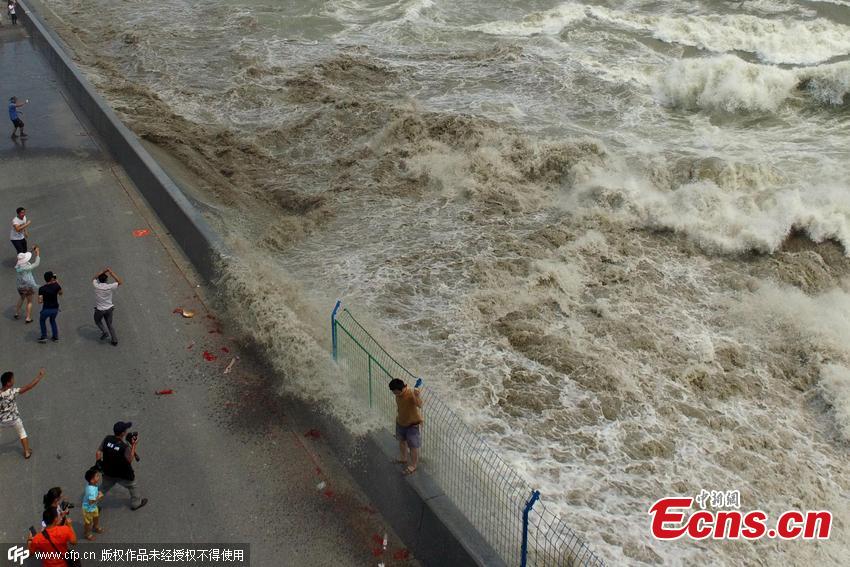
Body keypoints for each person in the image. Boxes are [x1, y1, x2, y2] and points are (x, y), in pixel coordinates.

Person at [95, 421, 148, 510]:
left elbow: (98, 452)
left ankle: (92, 505)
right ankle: (136, 504)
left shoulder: (107, 439)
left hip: (108, 472)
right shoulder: (124, 447)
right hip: (123, 474)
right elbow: (130, 459)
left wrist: (99, 464)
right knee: (132, 486)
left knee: (103, 488)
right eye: (126, 430)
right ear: (123, 433)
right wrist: (134, 445)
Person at [0, 368, 46, 459]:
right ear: (8, 383)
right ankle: (27, 452)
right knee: (22, 433)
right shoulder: (13, 392)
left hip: (1, 421)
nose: (14, 380)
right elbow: (29, 387)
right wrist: (39, 376)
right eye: (12, 379)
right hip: (14, 419)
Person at [389, 378, 424, 476]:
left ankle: (413, 465)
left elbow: (420, 405)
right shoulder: (398, 394)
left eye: (395, 392)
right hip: (401, 422)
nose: (394, 394)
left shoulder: (410, 394)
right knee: (401, 441)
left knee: (413, 446)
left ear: (399, 389)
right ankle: (403, 458)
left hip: (412, 425)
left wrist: (417, 395)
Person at [93, 267, 122, 346]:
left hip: (99, 310)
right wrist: (110, 272)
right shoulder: (110, 286)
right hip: (109, 309)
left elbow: (94, 278)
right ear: (106, 280)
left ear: (99, 280)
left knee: (97, 321)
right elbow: (119, 281)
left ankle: (105, 332)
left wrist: (103, 271)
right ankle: (114, 340)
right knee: (109, 324)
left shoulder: (96, 285)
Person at [14, 245, 40, 323]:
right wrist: (37, 253)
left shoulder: (18, 266)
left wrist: (32, 250)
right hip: (27, 287)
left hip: (19, 286)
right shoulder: (26, 267)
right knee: (29, 302)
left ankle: (16, 313)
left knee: (22, 298)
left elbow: (25, 256)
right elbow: (36, 263)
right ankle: (28, 318)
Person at [37, 271, 62, 343]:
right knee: (52, 321)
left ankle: (44, 336)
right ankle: (55, 337)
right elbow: (60, 293)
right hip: (55, 309)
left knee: (42, 320)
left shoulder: (41, 289)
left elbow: (40, 301)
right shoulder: (56, 286)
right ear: (52, 278)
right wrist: (57, 283)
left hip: (46, 309)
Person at [82, 468, 104, 540]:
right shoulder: (90, 490)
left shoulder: (93, 484)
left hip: (93, 506)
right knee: (88, 523)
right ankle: (87, 534)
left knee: (96, 517)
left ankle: (95, 526)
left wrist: (98, 492)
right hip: (88, 509)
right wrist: (99, 496)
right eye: (97, 476)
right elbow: (91, 501)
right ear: (92, 480)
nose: (99, 477)